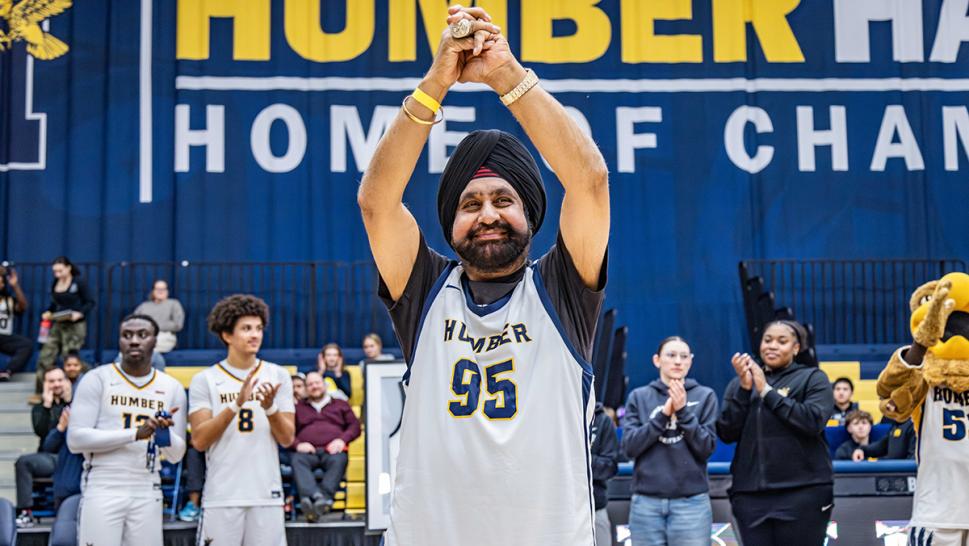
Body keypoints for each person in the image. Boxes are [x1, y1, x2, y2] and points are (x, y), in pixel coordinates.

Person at [358, 5, 609, 544]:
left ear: (530, 212)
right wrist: (435, 83)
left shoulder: (561, 289)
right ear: (449, 220)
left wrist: (505, 75)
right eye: (469, 203)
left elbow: (588, 180)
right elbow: (377, 201)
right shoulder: (424, 291)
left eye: (503, 198)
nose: (488, 214)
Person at [67, 314, 187, 546]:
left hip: (148, 483)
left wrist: (163, 433)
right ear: (119, 341)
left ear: (155, 341)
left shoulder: (171, 387)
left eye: (142, 335)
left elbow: (177, 454)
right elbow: (75, 439)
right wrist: (134, 434)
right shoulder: (96, 378)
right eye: (127, 335)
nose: (134, 341)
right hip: (103, 483)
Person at [188, 294, 295, 546]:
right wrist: (235, 404)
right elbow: (200, 440)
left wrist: (270, 409)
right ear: (227, 335)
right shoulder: (205, 379)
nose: (255, 335)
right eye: (246, 329)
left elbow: (287, 438)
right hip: (222, 494)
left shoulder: (278, 375)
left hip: (266, 493)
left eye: (258, 328)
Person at [716, 320, 835, 546]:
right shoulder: (741, 383)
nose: (772, 346)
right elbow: (727, 432)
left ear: (796, 348)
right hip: (750, 495)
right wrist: (743, 389)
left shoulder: (813, 378)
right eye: (767, 340)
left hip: (803, 493)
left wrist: (766, 391)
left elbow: (813, 421)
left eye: (782, 341)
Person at [622, 336, 719, 546]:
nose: (678, 361)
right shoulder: (639, 397)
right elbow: (629, 447)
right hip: (646, 504)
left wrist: (683, 411)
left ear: (690, 362)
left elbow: (707, 447)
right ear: (657, 360)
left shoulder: (705, 396)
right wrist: (664, 414)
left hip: (691, 503)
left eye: (684, 356)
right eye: (671, 355)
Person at [291, 371, 361, 522]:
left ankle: (318, 499)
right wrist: (298, 444)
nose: (314, 386)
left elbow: (355, 426)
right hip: (307, 452)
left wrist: (342, 440)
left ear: (324, 384)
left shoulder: (340, 404)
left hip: (333, 451)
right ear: (306, 388)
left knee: (339, 459)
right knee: (297, 459)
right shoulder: (297, 408)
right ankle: (320, 499)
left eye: (317, 383)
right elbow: (287, 432)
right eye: (310, 384)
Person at [15, 366, 71, 527]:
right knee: (23, 462)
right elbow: (42, 433)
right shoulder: (39, 409)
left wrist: (69, 402)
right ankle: (25, 512)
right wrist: (47, 405)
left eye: (60, 380)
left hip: (72, 458)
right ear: (45, 384)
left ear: (67, 382)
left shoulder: (78, 403)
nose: (56, 384)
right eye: (51, 381)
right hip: (49, 458)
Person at [36, 256, 95, 398]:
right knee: (46, 355)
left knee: (69, 358)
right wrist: (48, 312)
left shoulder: (79, 282)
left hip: (75, 325)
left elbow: (90, 302)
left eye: (60, 271)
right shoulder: (56, 282)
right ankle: (40, 391)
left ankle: (85, 380)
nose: (57, 274)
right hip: (58, 323)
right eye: (55, 271)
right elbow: (54, 303)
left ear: (68, 268)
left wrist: (79, 313)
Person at [591, 402, 619, 546]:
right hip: (559, 509)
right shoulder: (557, 418)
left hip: (596, 508)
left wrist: (581, 458)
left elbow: (610, 467)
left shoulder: (602, 420)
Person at [133, 279, 185, 353]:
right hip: (143, 336)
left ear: (167, 291)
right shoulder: (144, 306)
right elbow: (134, 323)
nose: (160, 291)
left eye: (163, 289)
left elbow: (178, 325)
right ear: (153, 291)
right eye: (158, 289)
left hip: (165, 336)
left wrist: (151, 326)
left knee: (149, 350)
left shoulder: (174, 304)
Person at [0, 265, 32, 381]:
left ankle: (6, 372)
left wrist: (15, 286)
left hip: (5, 337)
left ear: (3, 285)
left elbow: (23, 306)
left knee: (26, 344)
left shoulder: (9, 300)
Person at [852, 417, 916, 461]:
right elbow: (880, 446)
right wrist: (862, 450)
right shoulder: (896, 425)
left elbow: (913, 459)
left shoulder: (914, 425)